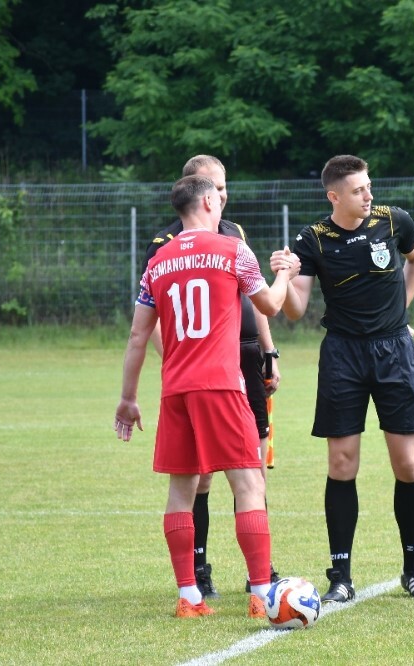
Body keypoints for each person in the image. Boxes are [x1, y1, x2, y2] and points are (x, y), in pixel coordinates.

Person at [114, 174, 298, 618]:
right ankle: (260, 593)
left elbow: (138, 336)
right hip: (221, 384)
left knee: (182, 489)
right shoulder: (234, 250)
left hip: (175, 389)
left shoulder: (157, 261)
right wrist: (285, 274)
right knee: (249, 482)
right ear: (211, 202)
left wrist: (128, 398)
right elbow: (270, 306)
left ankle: (189, 596)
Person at [280, 154, 414, 602]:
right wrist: (285, 275)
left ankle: (413, 569)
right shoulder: (313, 238)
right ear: (334, 196)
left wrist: (399, 313)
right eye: (358, 190)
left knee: (407, 465)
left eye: (369, 187)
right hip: (342, 355)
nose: (368, 195)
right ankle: (341, 577)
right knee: (342, 465)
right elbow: (295, 310)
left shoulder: (394, 221)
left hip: (394, 353)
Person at [142, 155, 281, 600]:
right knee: (224, 477)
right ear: (198, 193)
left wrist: (267, 350)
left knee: (250, 467)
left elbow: (251, 302)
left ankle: (249, 576)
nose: (223, 196)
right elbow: (153, 324)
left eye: (225, 187)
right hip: (210, 371)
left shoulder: (234, 234)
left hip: (237, 358)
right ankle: (214, 573)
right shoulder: (165, 245)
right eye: (215, 190)